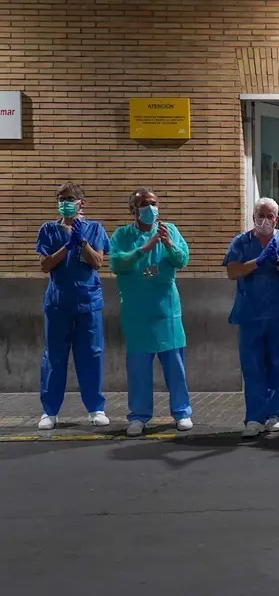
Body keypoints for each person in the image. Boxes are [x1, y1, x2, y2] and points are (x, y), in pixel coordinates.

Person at [109, 188, 192, 436]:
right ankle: (139, 416)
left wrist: (167, 244)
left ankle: (182, 412)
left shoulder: (169, 230)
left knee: (175, 366)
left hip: (166, 311)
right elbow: (117, 263)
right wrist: (145, 248)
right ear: (133, 209)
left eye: (153, 203)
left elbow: (181, 260)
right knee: (139, 369)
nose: (150, 208)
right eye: (144, 204)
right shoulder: (122, 235)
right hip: (137, 312)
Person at [223, 197, 279, 439]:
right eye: (261, 215)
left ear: (276, 219)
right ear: (253, 217)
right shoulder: (241, 242)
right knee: (253, 367)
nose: (265, 220)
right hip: (250, 314)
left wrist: (277, 260)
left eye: (270, 216)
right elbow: (232, 271)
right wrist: (257, 262)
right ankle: (254, 418)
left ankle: (273, 415)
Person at [35, 183, 111, 430]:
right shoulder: (48, 230)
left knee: (91, 354)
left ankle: (95, 408)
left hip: (88, 302)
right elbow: (45, 265)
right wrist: (66, 246)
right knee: (54, 357)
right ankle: (50, 412)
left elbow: (97, 262)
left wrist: (81, 243)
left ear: (81, 203)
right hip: (58, 304)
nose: (64, 203)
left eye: (69, 198)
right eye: (61, 199)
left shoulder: (95, 229)